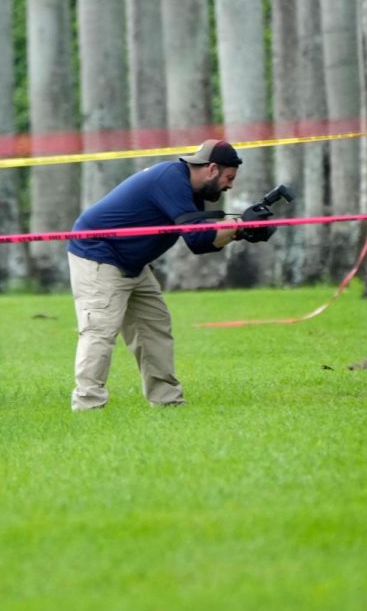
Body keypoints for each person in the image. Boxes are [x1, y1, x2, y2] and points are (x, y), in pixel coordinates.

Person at [66, 139, 245, 411]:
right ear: (211, 169)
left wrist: (240, 232)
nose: (229, 186)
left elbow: (202, 245)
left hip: (134, 263)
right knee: (100, 331)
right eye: (228, 178)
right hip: (98, 255)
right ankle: (87, 406)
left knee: (155, 328)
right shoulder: (171, 179)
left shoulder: (192, 190)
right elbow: (199, 238)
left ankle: (167, 402)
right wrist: (236, 226)